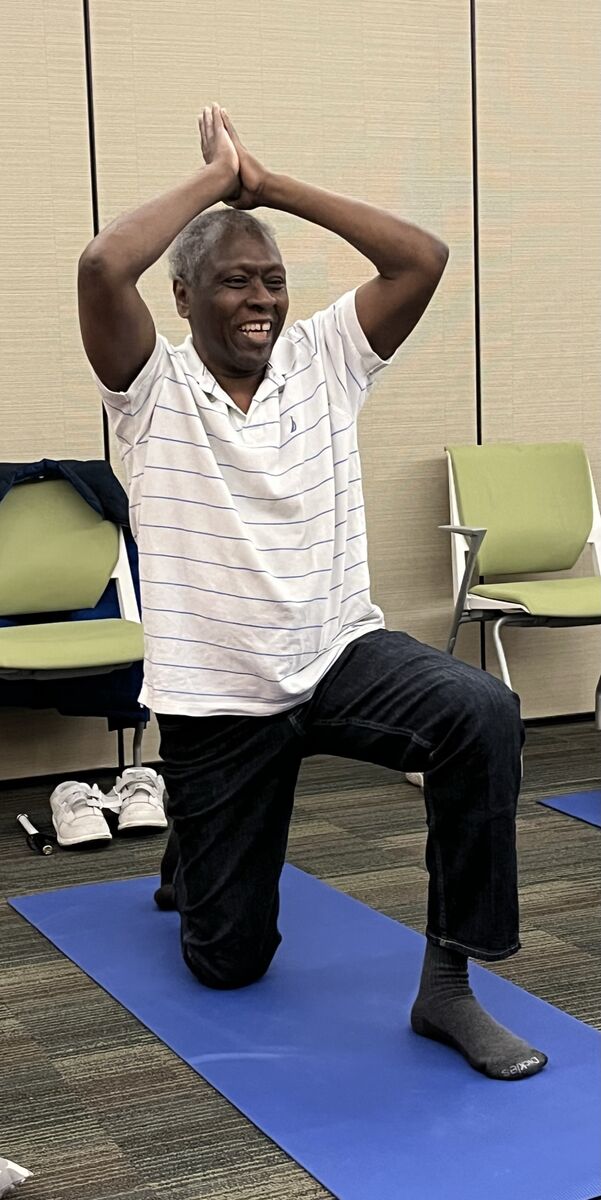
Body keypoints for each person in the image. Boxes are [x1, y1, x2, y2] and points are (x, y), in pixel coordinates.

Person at [78, 104, 546, 1081]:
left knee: (481, 713)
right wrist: (215, 179)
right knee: (228, 966)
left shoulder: (325, 358)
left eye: (272, 280)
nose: (260, 300)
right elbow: (98, 268)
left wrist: (269, 186)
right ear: (182, 296)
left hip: (339, 656)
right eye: (233, 282)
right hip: (220, 702)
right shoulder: (149, 388)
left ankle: (449, 985)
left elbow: (421, 256)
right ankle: (192, 858)